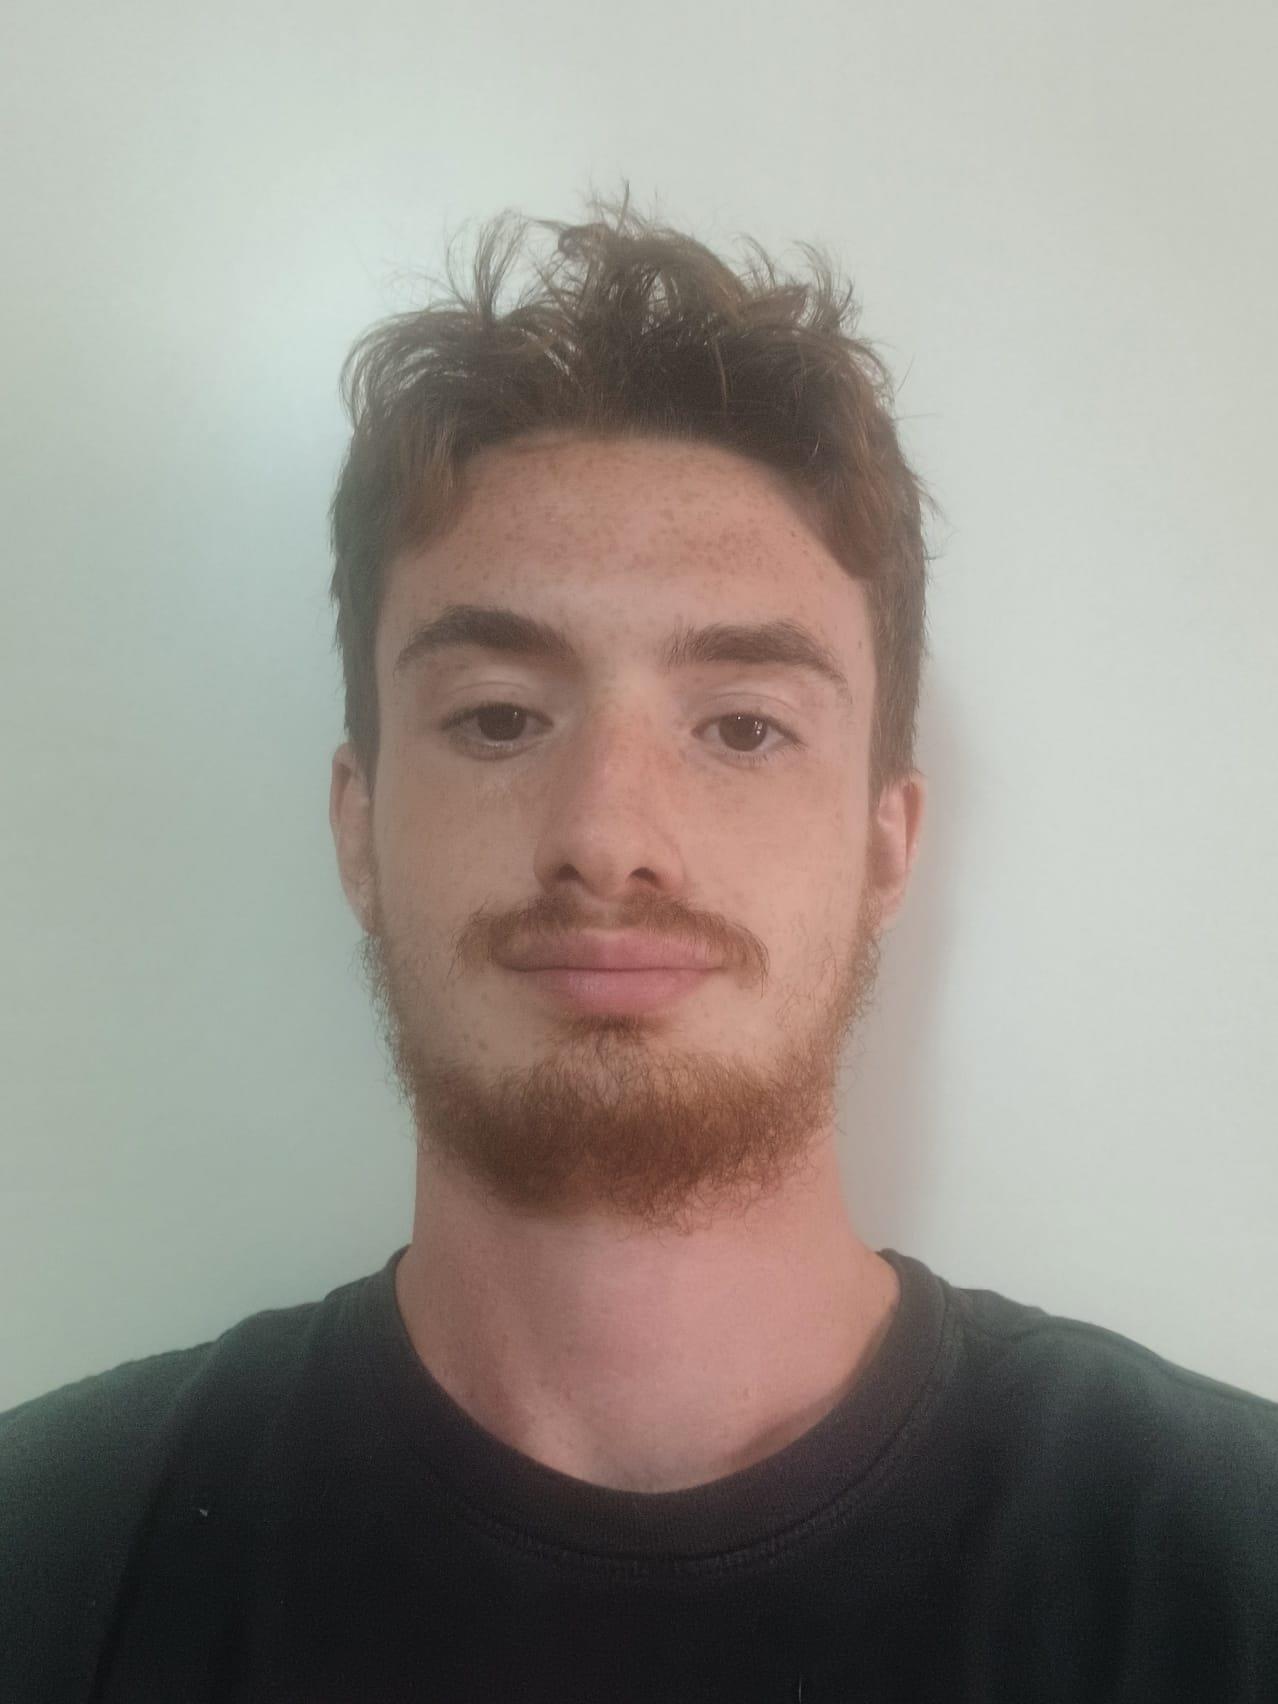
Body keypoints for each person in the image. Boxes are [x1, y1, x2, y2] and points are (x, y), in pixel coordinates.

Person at [3, 190, 1275, 1703]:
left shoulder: (1227, 1573)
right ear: (358, 827)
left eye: (742, 727)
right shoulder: (49, 1562)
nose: (608, 835)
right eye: (498, 718)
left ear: (887, 843)